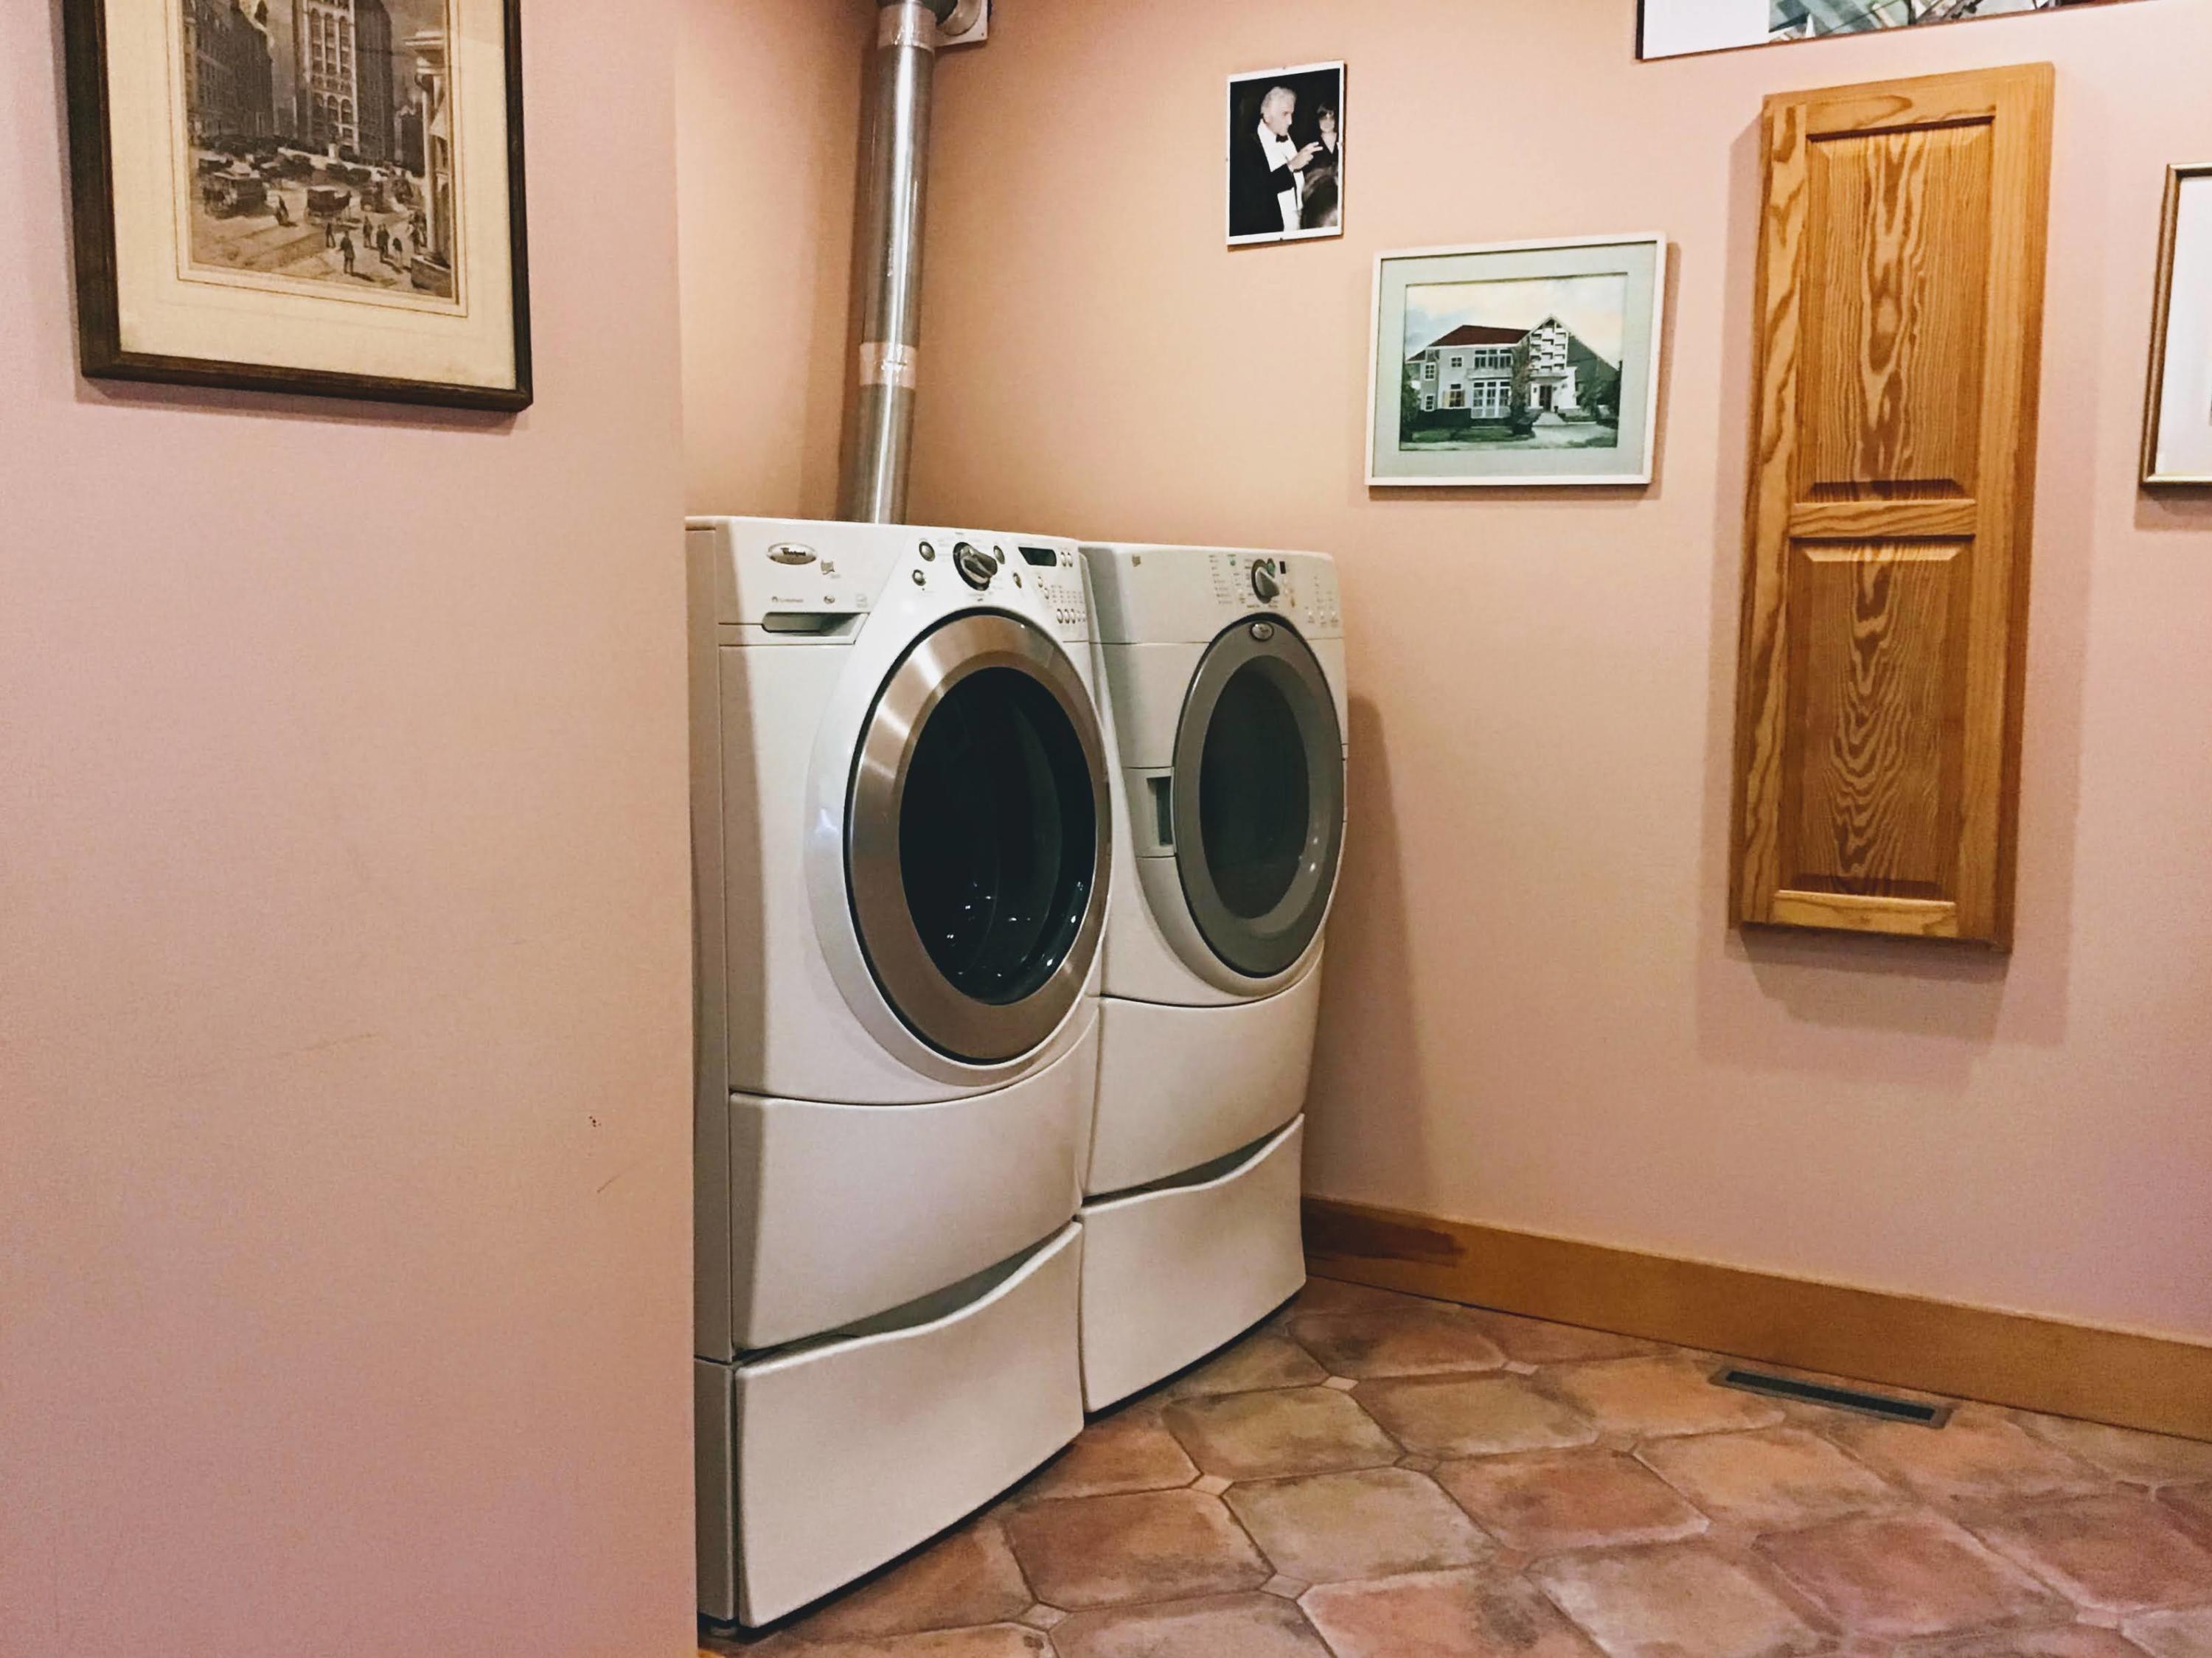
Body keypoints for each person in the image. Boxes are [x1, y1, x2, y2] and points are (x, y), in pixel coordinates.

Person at [1230, 84, 1323, 239]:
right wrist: (1292, 166)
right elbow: (1257, 190)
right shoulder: (1247, 147)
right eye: (1285, 114)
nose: (1291, 121)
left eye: (1292, 114)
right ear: (1267, 116)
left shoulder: (1293, 140)